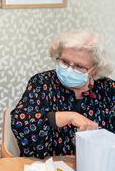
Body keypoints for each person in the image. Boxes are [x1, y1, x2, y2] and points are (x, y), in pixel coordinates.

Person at [11, 29, 115, 158]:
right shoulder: (42, 82)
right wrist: (69, 116)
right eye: (64, 62)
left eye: (79, 66)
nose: (69, 70)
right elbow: (21, 122)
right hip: (47, 169)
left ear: (95, 69)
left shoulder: (109, 90)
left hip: (98, 169)